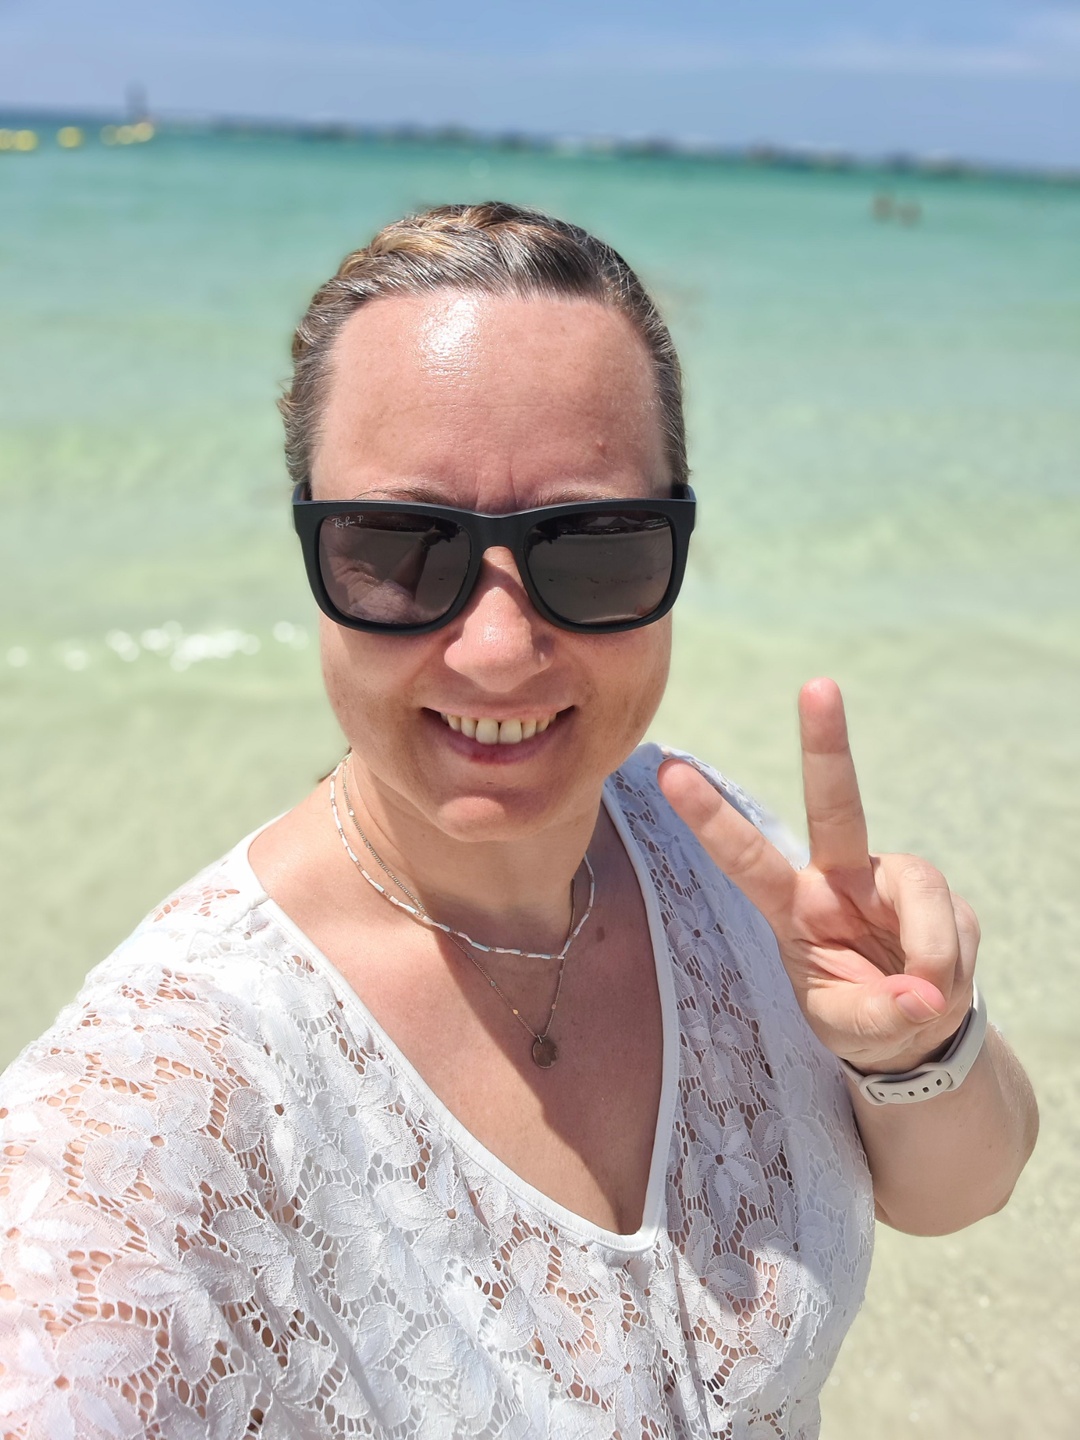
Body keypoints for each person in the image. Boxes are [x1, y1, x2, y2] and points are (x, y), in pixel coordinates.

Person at [0, 202, 1037, 1439]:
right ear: (312, 549)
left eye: (592, 547)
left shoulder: (711, 857)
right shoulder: (157, 1102)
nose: (496, 650)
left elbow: (958, 1193)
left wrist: (915, 1048)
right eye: (399, 549)